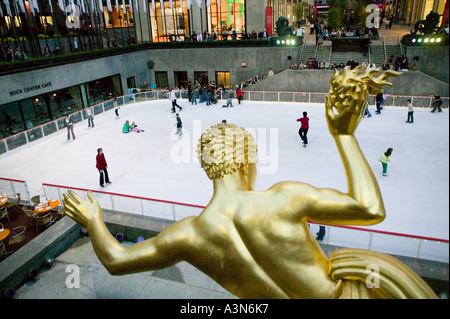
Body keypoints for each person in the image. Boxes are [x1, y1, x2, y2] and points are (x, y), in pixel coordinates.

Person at [63, 68, 437, 299]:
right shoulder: (283, 199)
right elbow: (369, 208)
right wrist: (343, 135)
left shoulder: (187, 235)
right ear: (245, 161)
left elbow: (115, 260)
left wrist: (93, 218)